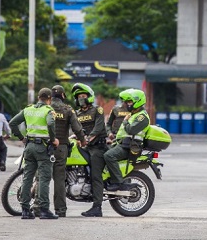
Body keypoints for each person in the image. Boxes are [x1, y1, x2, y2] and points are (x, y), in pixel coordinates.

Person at [9, 88, 59, 220]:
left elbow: (12, 123)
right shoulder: (48, 110)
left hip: (29, 147)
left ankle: (25, 210)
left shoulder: (28, 109)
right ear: (49, 99)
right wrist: (53, 140)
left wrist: (21, 137)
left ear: (38, 97)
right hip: (42, 147)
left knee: (27, 178)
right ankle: (43, 210)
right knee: (44, 178)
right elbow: (50, 123)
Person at [104, 89, 150, 192]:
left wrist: (125, 121)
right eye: (126, 102)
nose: (127, 104)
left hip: (130, 147)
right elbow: (109, 124)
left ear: (137, 101)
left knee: (109, 156)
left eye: (130, 102)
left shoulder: (142, 116)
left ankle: (118, 182)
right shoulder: (132, 114)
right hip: (122, 143)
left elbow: (131, 129)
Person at [50, 84, 86, 217]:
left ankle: (39, 208)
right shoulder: (67, 110)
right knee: (59, 179)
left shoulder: (46, 108)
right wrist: (83, 140)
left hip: (43, 146)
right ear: (63, 96)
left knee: (42, 177)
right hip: (61, 148)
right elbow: (77, 128)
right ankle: (60, 210)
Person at [72, 83, 107, 218]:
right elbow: (75, 130)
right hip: (86, 146)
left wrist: (87, 139)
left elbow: (98, 129)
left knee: (95, 175)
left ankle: (97, 207)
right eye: (79, 96)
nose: (81, 98)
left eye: (83, 96)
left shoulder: (97, 110)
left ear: (89, 97)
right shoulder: (77, 113)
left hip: (98, 148)